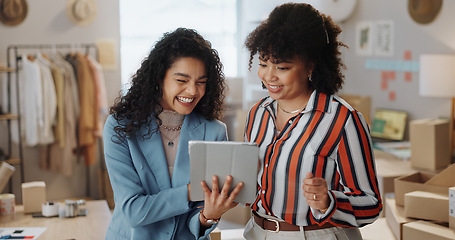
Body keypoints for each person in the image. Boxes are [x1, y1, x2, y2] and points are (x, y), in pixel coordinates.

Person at [242, 3, 382, 239]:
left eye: (282, 67)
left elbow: (371, 205)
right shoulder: (258, 113)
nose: (269, 76)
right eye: (263, 64)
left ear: (310, 67)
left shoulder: (343, 120)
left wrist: (329, 201)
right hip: (257, 232)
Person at [103, 28, 243, 240]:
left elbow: (201, 214)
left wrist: (208, 216)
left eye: (201, 82)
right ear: (159, 78)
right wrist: (190, 190)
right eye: (182, 80)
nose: (192, 91)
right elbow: (133, 211)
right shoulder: (121, 127)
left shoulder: (214, 131)